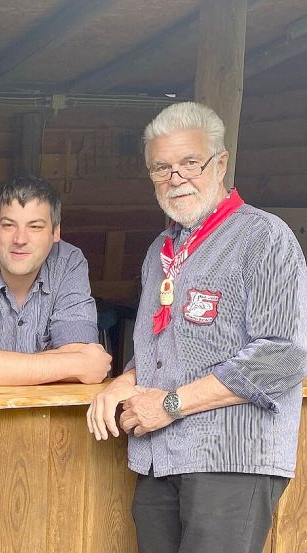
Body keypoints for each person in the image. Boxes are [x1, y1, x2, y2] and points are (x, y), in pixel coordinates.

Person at [87, 102, 307, 553]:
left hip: (230, 460)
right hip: (161, 458)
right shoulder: (160, 250)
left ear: (220, 162)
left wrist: (169, 403)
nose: (176, 178)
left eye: (190, 162)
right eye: (161, 168)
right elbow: (160, 345)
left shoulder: (264, 238)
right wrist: (121, 382)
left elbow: (282, 355)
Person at [0, 176, 111, 385]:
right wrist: (72, 364)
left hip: (49, 412)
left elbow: (83, 356)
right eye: (9, 225)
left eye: (35, 227)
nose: (20, 239)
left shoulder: (69, 262)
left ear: (56, 232)